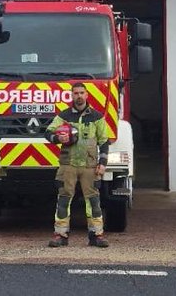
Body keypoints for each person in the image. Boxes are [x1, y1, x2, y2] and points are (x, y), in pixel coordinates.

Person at [45, 82, 111, 248]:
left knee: (93, 201)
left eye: (82, 93)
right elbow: (48, 132)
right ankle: (60, 235)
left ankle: (97, 235)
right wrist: (57, 138)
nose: (79, 96)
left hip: (90, 166)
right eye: (76, 93)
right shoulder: (64, 116)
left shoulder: (97, 117)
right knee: (63, 200)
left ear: (87, 95)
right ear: (72, 95)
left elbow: (104, 142)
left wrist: (103, 163)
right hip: (68, 165)